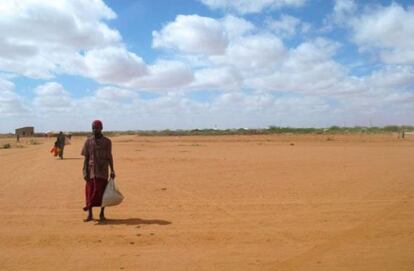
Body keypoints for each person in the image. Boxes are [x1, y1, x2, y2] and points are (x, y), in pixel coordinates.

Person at [81, 120, 115, 222]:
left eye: (97, 128)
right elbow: (86, 158)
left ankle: (102, 214)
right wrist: (84, 171)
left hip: (103, 171)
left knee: (102, 194)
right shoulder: (88, 141)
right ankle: (90, 214)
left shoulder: (107, 142)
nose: (94, 130)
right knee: (90, 192)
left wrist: (112, 170)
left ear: (101, 128)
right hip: (91, 171)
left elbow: (110, 156)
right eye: (93, 128)